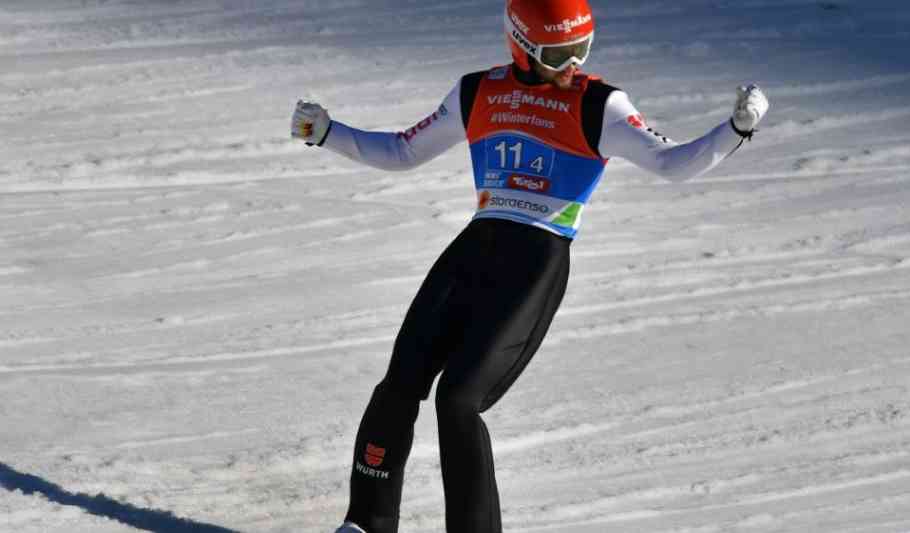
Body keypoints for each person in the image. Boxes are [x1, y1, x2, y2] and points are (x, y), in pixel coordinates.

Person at [291, 1, 769, 531]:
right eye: (560, 53)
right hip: (475, 247)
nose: (573, 65)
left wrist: (735, 130)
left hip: (536, 260)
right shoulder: (479, 92)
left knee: (459, 399)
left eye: (581, 51)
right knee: (400, 381)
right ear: (519, 45)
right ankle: (366, 522)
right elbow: (405, 151)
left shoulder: (598, 105)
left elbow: (670, 162)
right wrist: (327, 132)